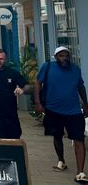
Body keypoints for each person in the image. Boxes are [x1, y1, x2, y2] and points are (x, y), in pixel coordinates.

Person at [34, 46, 88, 183]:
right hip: (53, 110)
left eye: (66, 56)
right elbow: (38, 84)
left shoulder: (75, 69)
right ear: (56, 57)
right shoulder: (48, 67)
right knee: (57, 136)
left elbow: (81, 87)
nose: (64, 58)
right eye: (61, 56)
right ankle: (61, 160)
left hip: (74, 111)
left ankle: (80, 172)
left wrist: (86, 105)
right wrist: (38, 103)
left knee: (79, 139)